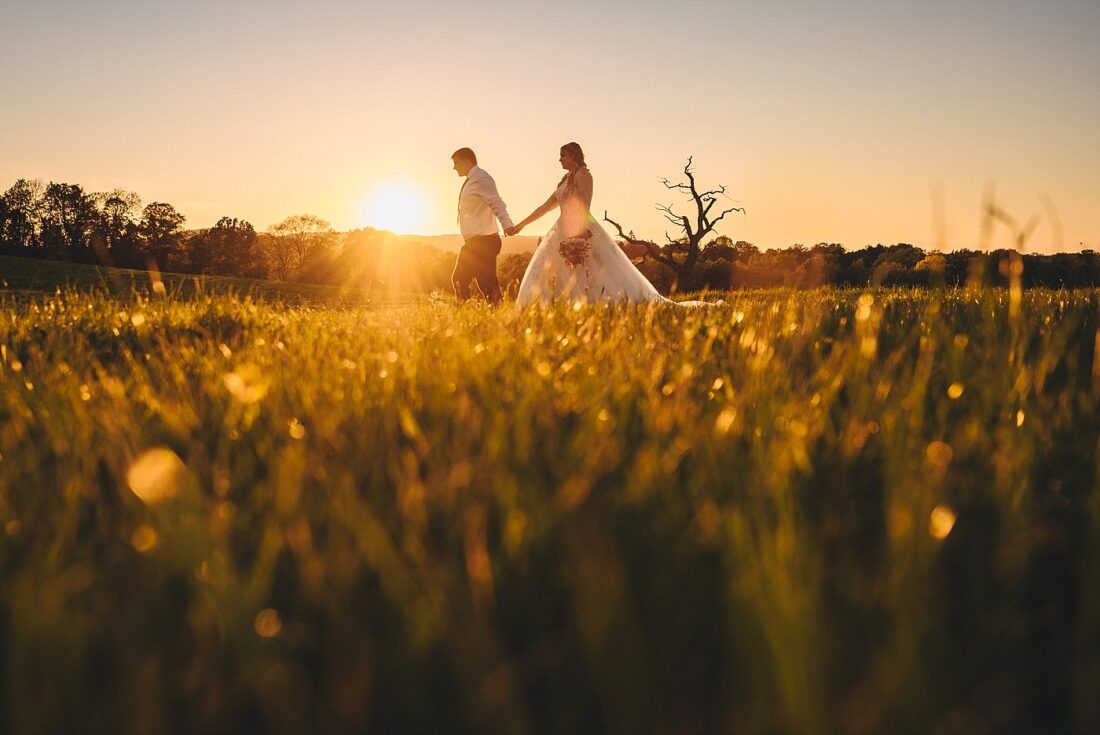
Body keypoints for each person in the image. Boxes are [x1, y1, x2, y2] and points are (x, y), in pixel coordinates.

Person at [507, 143, 718, 306]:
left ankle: (592, 302)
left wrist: (577, 237)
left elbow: (584, 206)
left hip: (579, 230)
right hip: (559, 230)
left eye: (563, 155)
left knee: (588, 270)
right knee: (551, 269)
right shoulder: (564, 181)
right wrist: (521, 225)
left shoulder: (584, 176)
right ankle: (555, 305)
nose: (559, 159)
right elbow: (545, 206)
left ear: (572, 156)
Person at [451, 147, 513, 304]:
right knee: (461, 280)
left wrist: (507, 225)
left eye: (456, 163)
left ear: (466, 161)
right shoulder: (472, 180)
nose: (454, 167)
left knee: (486, 284)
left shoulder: (482, 178)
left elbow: (496, 203)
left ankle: (498, 316)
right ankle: (467, 315)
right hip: (473, 242)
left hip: (484, 242)